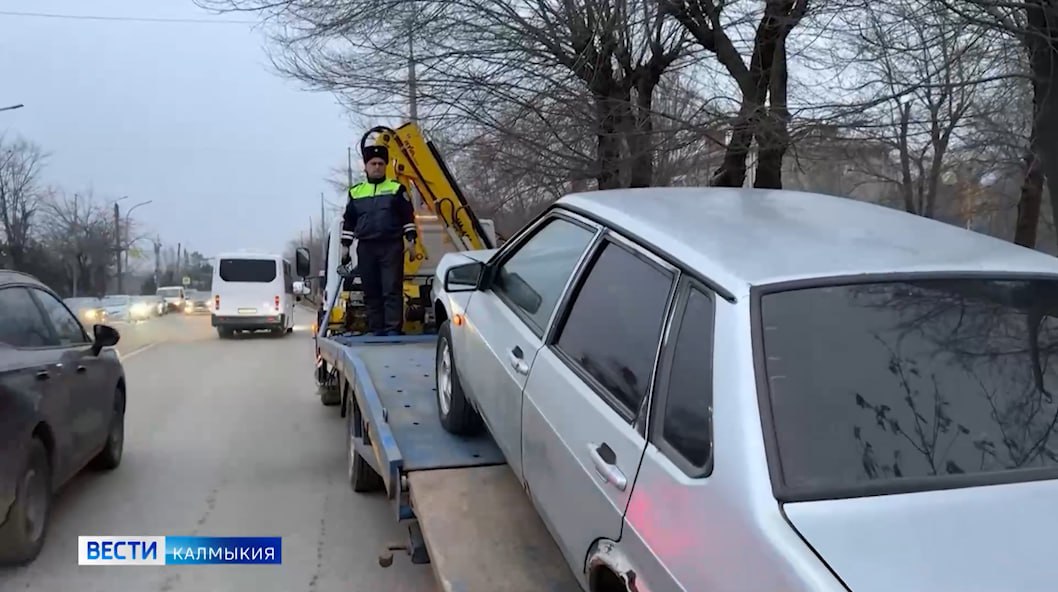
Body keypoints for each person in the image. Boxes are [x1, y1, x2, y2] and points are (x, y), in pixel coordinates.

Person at [340, 144, 417, 336]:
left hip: (391, 246)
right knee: (371, 290)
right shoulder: (356, 192)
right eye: (373, 163)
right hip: (366, 247)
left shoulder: (396, 189)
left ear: (386, 165)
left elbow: (408, 217)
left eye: (381, 163)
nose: (377, 167)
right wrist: (345, 248)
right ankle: (376, 329)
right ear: (365, 166)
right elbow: (349, 221)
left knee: (391, 288)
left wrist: (411, 241)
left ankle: (392, 329)